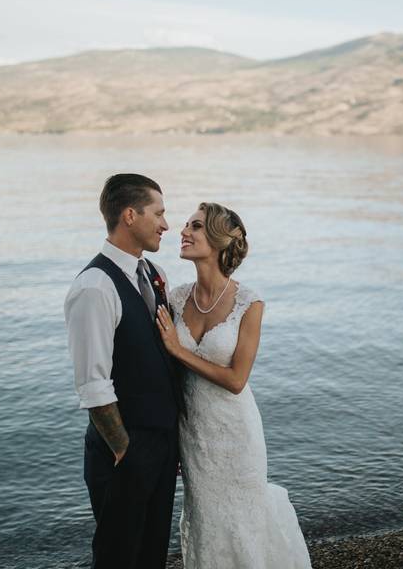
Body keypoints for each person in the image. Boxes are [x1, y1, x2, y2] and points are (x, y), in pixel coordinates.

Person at [155, 202, 312, 569]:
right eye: (186, 224)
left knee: (243, 518)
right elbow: (168, 375)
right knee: (207, 521)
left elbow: (237, 380)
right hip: (194, 435)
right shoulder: (176, 298)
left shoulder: (249, 302)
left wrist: (177, 350)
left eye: (195, 226)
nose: (183, 231)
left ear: (218, 239)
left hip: (236, 432)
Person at [64, 174, 184, 569]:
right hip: (125, 452)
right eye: (159, 213)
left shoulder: (150, 273)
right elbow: (93, 384)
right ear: (130, 215)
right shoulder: (95, 287)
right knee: (119, 557)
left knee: (151, 556)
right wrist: (124, 449)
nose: (166, 224)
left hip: (162, 448)